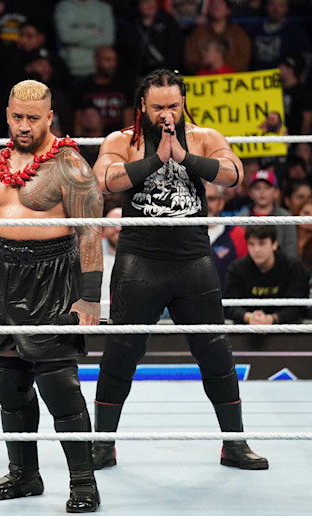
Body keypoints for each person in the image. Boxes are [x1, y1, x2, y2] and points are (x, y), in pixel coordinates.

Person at [91, 69, 268, 471]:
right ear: (143, 105)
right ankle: (102, 445)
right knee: (121, 353)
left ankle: (234, 444)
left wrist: (184, 157)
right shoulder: (122, 141)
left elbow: (234, 174)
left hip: (193, 262)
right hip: (139, 262)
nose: (166, 114)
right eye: (158, 107)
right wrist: (156, 158)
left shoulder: (204, 137)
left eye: (173, 105)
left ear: (183, 103)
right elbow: (103, 182)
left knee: (215, 353)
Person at [0, 80, 104, 513]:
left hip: (52, 274)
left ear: (50, 116)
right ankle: (24, 474)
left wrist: (90, 297)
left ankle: (83, 482)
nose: (25, 126)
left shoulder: (71, 166)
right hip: (4, 274)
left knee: (59, 386)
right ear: (7, 114)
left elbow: (91, 232)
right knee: (9, 383)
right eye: (18, 117)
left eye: (34, 118)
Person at [224, 225, 308, 325]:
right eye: (251, 244)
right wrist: (248, 317)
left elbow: (298, 307)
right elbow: (229, 306)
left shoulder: (293, 267)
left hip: (286, 332)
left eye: (262, 243)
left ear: (274, 244)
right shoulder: (236, 268)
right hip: (246, 332)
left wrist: (272, 319)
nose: (256, 250)